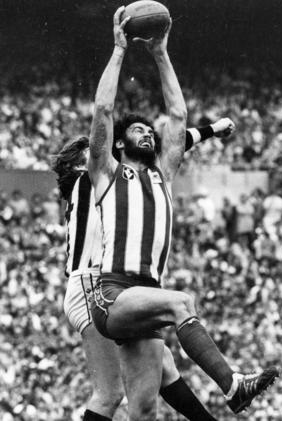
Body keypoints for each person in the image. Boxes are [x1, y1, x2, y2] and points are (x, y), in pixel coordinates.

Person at [88, 7, 279, 421]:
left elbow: (178, 116)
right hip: (113, 295)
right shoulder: (106, 173)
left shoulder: (163, 173)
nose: (147, 133)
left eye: (148, 131)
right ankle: (232, 385)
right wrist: (119, 50)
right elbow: (102, 111)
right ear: (120, 145)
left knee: (143, 410)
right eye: (137, 130)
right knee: (182, 302)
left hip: (145, 300)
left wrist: (160, 53)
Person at [52, 115, 236, 420]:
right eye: (96, 151)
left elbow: (169, 148)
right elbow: (169, 148)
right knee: (109, 393)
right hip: (92, 287)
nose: (106, 152)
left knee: (161, 362)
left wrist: (209, 131)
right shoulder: (92, 180)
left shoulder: (99, 183)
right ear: (78, 166)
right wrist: (211, 130)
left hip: (102, 286)